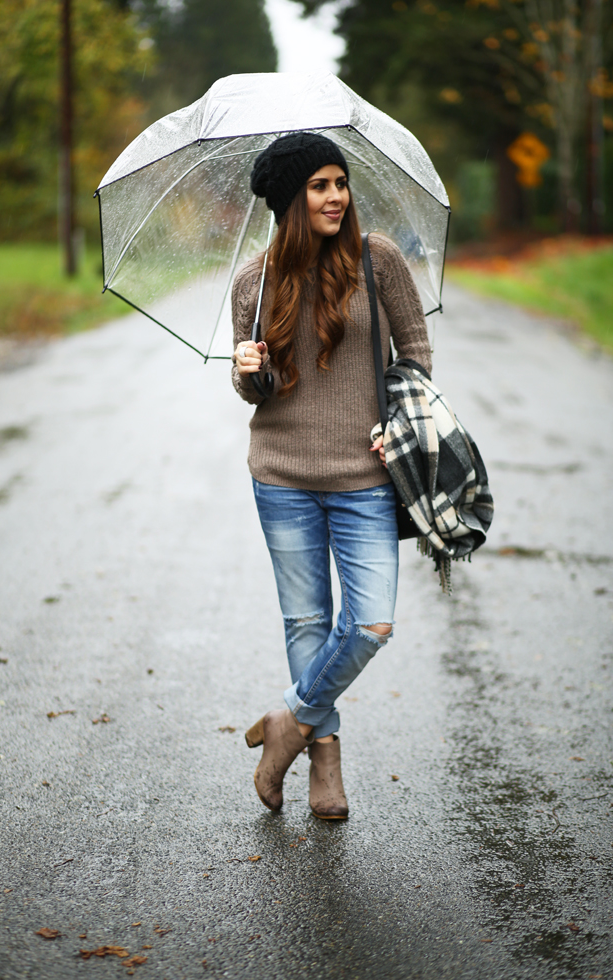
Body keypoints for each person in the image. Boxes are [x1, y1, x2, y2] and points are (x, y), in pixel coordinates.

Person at [231, 132, 431, 820]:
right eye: (319, 185)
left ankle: (286, 725)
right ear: (291, 199)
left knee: (371, 623)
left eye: (339, 182)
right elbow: (259, 396)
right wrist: (247, 374)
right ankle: (326, 764)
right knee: (308, 621)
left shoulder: (378, 261)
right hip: (281, 474)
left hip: (365, 475)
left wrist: (397, 421)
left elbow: (418, 350)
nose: (336, 196)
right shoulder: (254, 282)